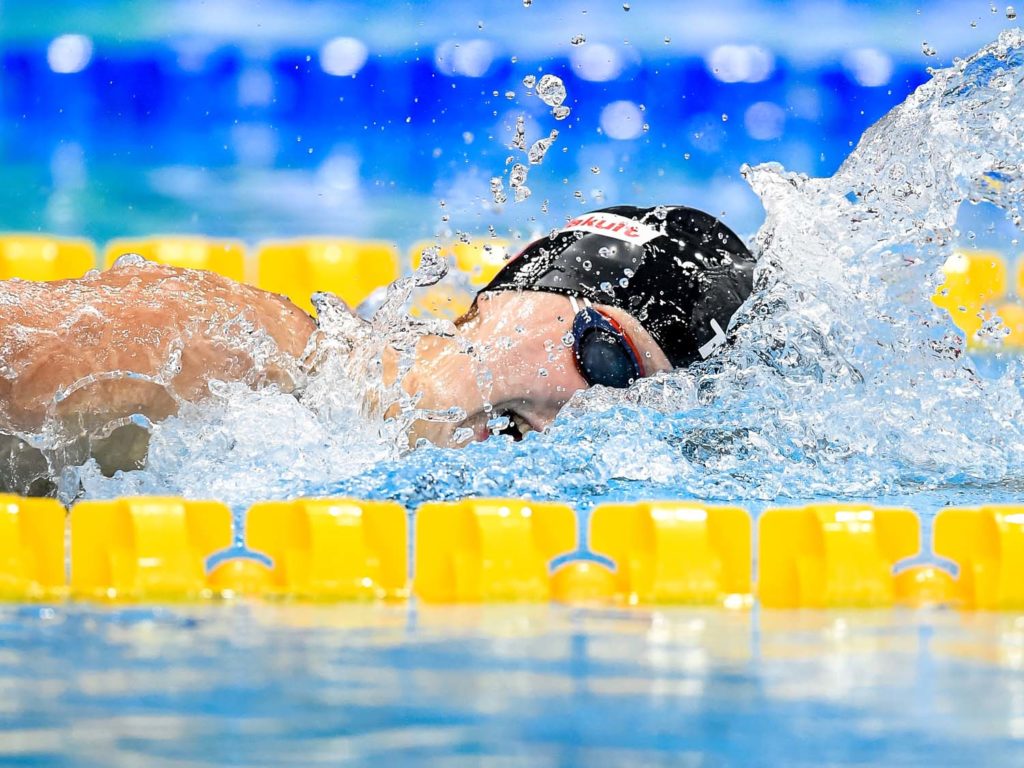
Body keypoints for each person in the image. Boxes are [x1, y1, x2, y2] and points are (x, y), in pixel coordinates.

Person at [0, 205, 754, 495]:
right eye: (607, 358)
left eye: (627, 408)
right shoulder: (217, 344)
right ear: (510, 289)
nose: (572, 415)